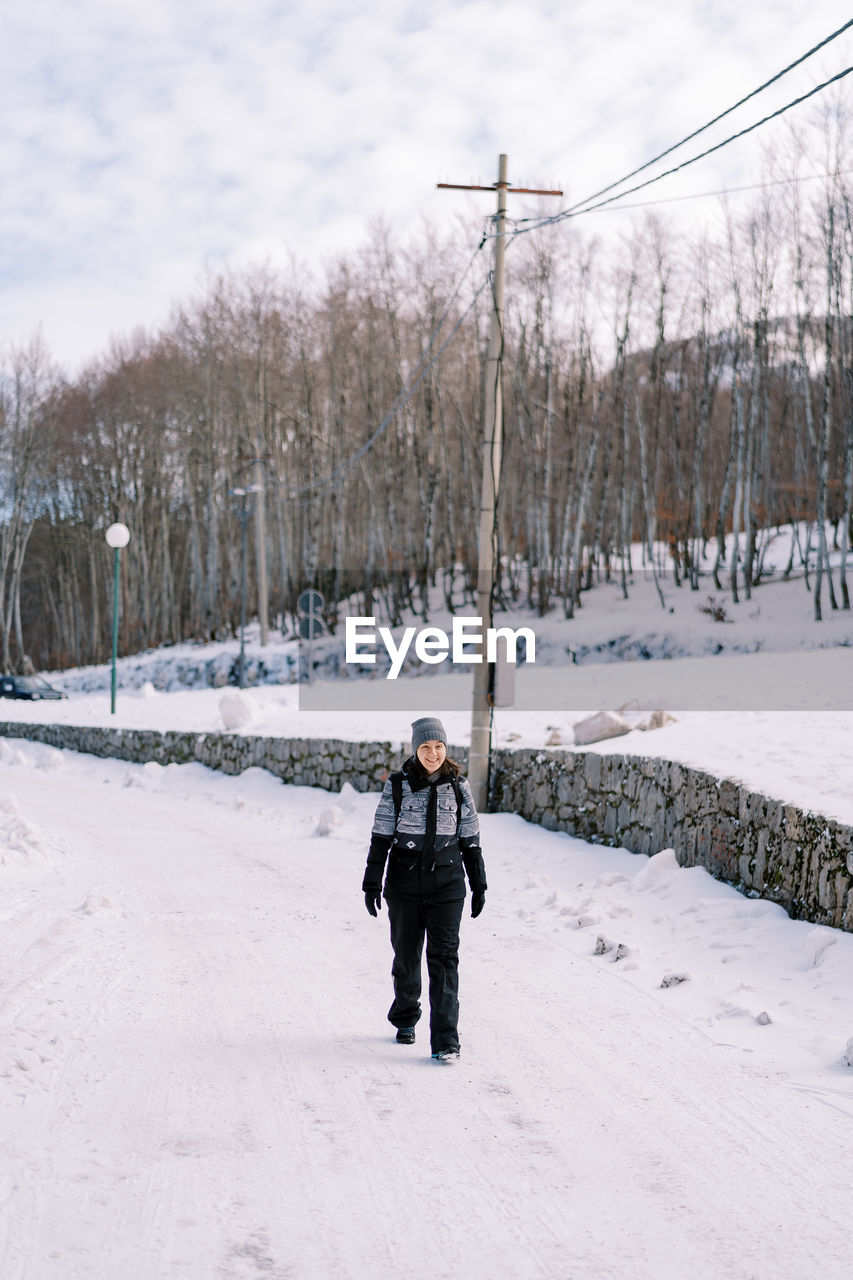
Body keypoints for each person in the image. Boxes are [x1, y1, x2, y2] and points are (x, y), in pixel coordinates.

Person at [362, 716, 487, 1062]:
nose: (433, 753)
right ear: (415, 749)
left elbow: (471, 841)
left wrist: (478, 885)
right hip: (403, 886)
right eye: (425, 747)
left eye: (438, 746)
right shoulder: (398, 786)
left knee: (445, 960)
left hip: (447, 887)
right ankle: (405, 1016)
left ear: (446, 749)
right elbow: (381, 837)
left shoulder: (459, 787)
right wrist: (372, 882)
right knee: (406, 957)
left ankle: (446, 1040)